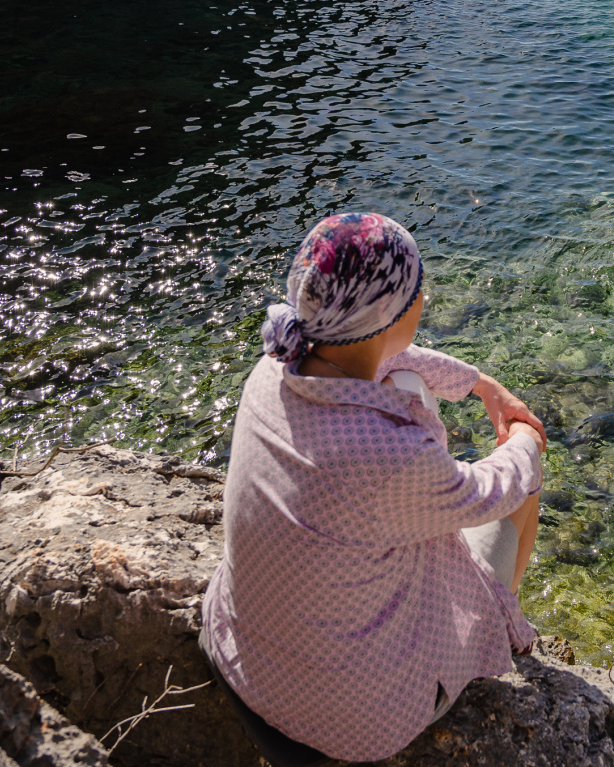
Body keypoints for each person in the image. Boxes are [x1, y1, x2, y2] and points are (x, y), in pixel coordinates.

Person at [200, 212, 549, 765]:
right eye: (416, 292)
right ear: (393, 313)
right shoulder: (390, 458)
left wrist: (482, 387)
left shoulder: (276, 364)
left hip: (241, 661)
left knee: (402, 384)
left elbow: (386, 357)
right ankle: (500, 625)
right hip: (345, 725)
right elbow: (492, 489)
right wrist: (525, 438)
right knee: (523, 486)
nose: (422, 298)